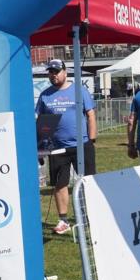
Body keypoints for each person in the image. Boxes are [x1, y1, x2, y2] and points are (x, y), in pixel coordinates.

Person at [35, 58, 97, 235]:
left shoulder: (79, 91)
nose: (53, 75)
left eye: (56, 71)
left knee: (88, 182)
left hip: (82, 145)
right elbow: (39, 120)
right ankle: (63, 220)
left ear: (65, 72)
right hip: (57, 148)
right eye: (50, 72)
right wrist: (40, 144)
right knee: (59, 185)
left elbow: (91, 115)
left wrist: (91, 140)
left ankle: (90, 216)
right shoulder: (45, 95)